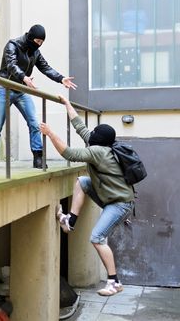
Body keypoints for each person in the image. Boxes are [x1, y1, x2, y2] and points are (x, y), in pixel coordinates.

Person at [40, 95, 135, 296]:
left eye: (94, 133)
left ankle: (114, 282)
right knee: (83, 181)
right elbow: (79, 126)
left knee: (97, 237)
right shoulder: (101, 145)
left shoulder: (98, 152)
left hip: (119, 203)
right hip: (109, 195)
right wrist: (67, 103)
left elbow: (69, 154)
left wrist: (49, 133)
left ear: (99, 139)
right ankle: (70, 221)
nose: (90, 134)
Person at [0, 24, 77, 169]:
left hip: (21, 90)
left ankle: (38, 158)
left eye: (41, 42)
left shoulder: (36, 53)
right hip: (6, 88)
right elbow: (11, 65)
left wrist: (61, 78)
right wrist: (24, 77)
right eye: (37, 41)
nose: (38, 45)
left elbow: (46, 68)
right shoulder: (12, 45)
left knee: (34, 123)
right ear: (30, 37)